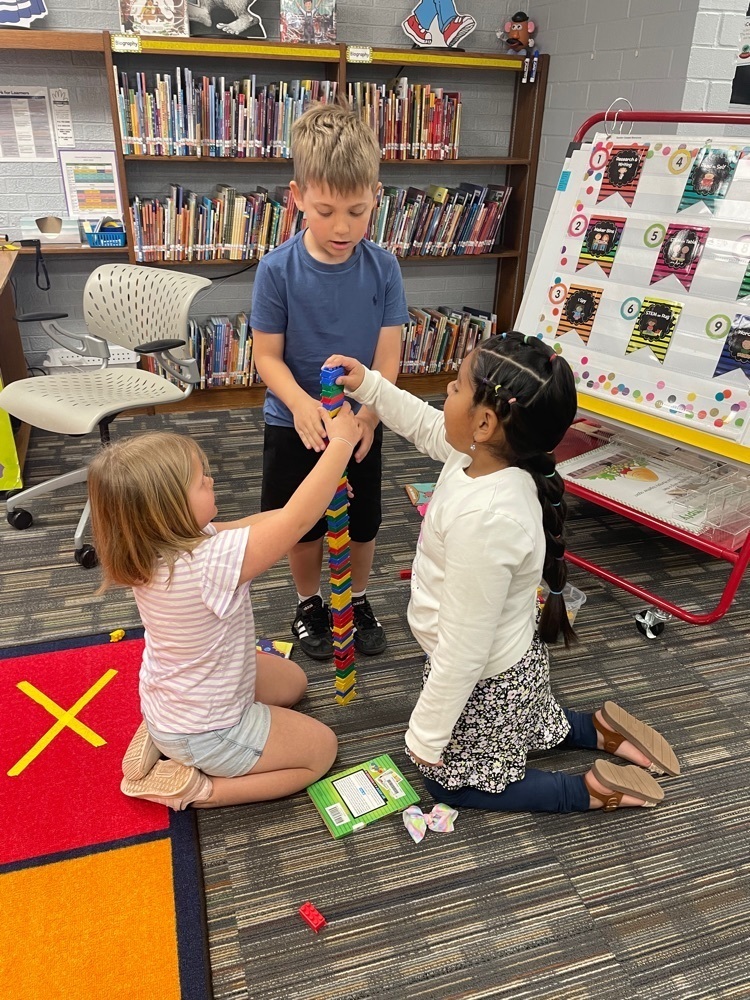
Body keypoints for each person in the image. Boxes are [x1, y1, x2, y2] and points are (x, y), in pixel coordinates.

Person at [325, 333, 681, 814]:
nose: (446, 391)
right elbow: (426, 424)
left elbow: (464, 648)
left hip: (486, 678)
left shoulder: (486, 520)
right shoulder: (486, 457)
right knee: (527, 720)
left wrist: (426, 735)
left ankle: (588, 791)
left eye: (455, 386)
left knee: (451, 785)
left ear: (485, 422)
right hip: (513, 658)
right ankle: (594, 729)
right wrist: (369, 384)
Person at [87, 414, 360, 811]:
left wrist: (318, 506)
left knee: (293, 684)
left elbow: (260, 525)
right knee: (321, 751)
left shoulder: (160, 545)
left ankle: (164, 736)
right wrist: (342, 444)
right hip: (209, 727)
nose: (211, 480)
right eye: (201, 481)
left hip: (175, 699)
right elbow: (294, 521)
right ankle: (195, 789)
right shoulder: (208, 562)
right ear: (169, 509)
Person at [251, 102, 410, 662]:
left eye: (357, 211)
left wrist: (368, 416)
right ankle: (308, 602)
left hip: (360, 420)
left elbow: (388, 356)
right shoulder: (276, 269)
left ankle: (358, 598)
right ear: (296, 197)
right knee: (301, 522)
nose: (342, 227)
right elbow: (266, 356)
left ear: (376, 198)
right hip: (296, 419)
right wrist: (300, 405)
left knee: (363, 521)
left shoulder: (384, 268)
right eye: (325, 211)